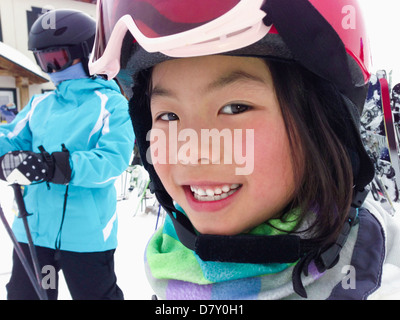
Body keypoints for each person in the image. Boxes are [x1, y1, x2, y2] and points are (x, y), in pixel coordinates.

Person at [89, 0, 400, 299]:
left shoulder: (373, 280)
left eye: (235, 108)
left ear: (323, 124)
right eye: (168, 116)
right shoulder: (172, 262)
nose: (193, 151)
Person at [0, 9, 134, 300]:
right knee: (30, 296)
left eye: (58, 59)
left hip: (85, 237)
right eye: (44, 61)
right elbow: (8, 139)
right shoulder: (40, 105)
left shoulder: (110, 104)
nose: (52, 70)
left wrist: (54, 166)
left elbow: (114, 160)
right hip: (34, 230)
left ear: (87, 54)